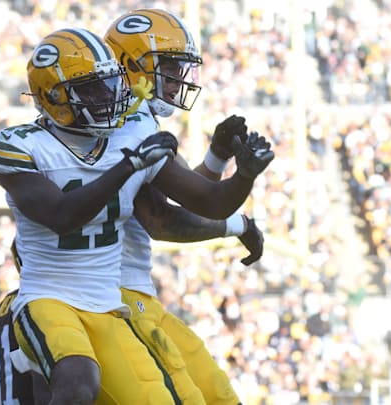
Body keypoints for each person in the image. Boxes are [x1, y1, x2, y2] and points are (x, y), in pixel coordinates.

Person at [0, 27, 274, 405]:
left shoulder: (131, 132)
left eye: (109, 84)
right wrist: (130, 166)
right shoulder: (23, 146)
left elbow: (205, 199)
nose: (108, 96)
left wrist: (243, 175)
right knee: (76, 384)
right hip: (54, 299)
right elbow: (133, 218)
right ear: (55, 96)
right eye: (93, 88)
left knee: (201, 397)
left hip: (112, 303)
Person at [105, 8, 257, 404]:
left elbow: (180, 195)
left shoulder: (129, 119)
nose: (177, 80)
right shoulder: (129, 123)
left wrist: (217, 158)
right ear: (131, 64)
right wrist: (237, 225)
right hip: (115, 293)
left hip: (131, 291)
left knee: (218, 394)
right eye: (169, 67)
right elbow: (161, 219)